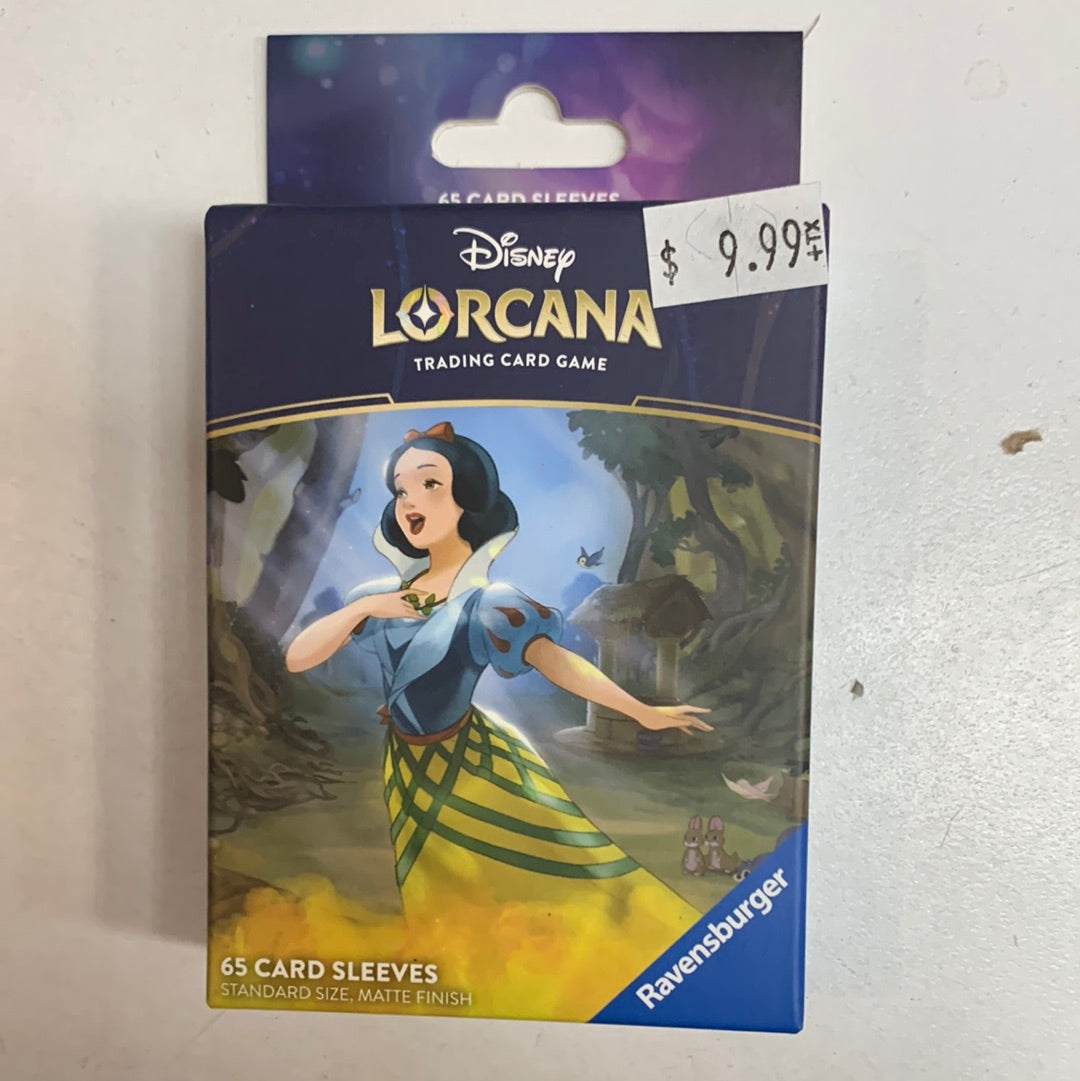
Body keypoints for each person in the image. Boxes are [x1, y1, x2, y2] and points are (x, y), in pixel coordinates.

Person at [285, 421, 710, 925]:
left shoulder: (489, 604)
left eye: (429, 483)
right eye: (401, 490)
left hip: (472, 762)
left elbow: (556, 661)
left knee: (531, 870)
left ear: (467, 498)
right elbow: (298, 658)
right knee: (430, 881)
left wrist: (640, 711)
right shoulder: (377, 598)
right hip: (405, 765)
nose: (410, 500)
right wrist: (365, 609)